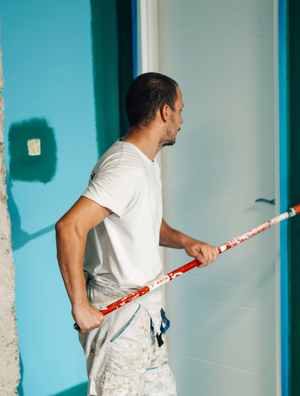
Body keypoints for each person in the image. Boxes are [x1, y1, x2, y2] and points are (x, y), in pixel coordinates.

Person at [56, 72, 219, 395]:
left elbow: (145, 222)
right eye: (180, 109)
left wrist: (187, 242)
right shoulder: (125, 167)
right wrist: (79, 305)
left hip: (145, 312)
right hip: (120, 317)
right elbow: (70, 226)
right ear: (165, 113)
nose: (182, 119)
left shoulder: (143, 163)